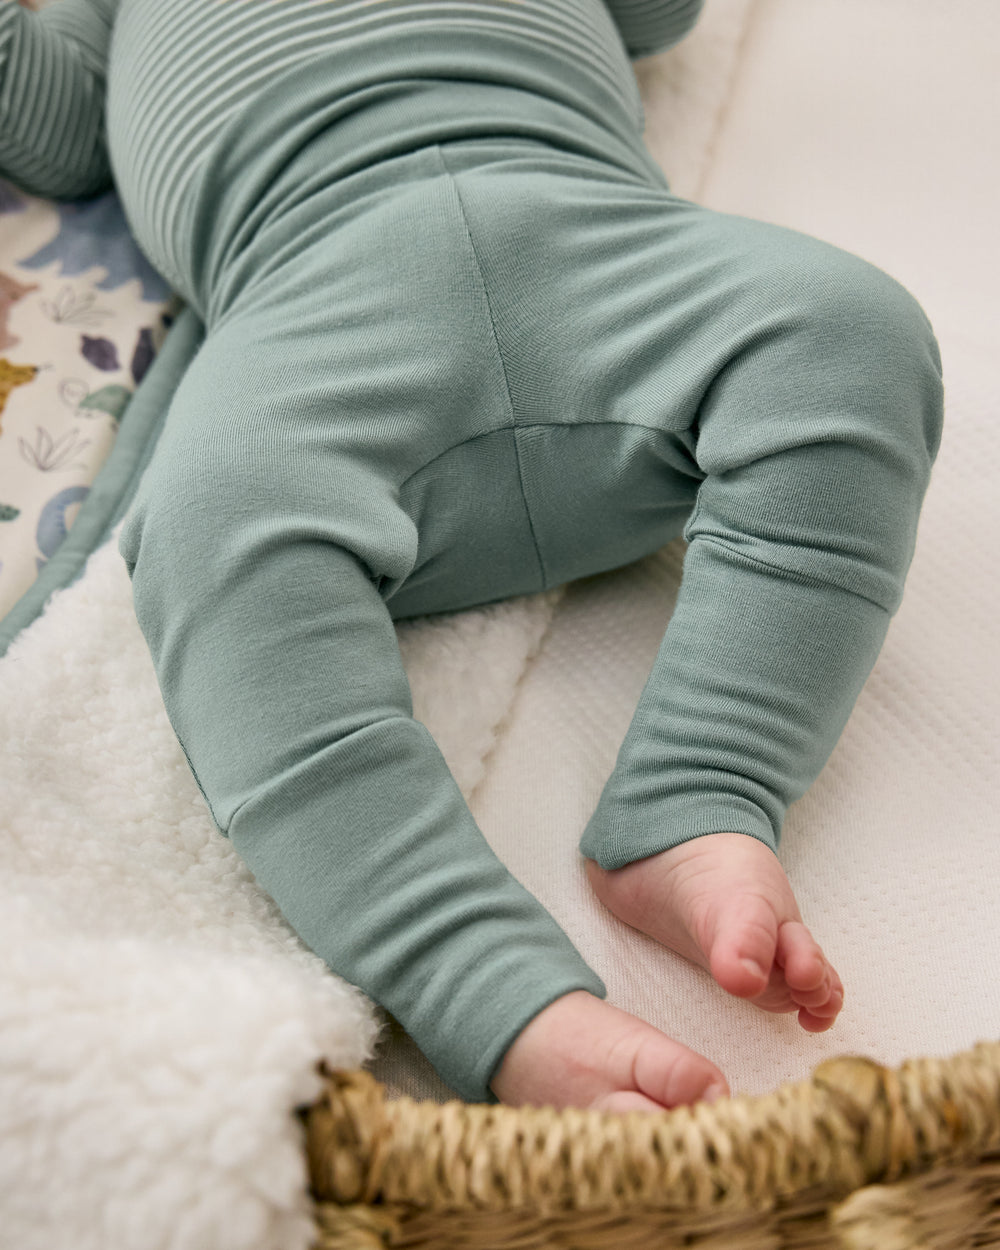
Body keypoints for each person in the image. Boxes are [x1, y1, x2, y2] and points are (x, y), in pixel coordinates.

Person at [0, 0, 943, 1114]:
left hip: (592, 245)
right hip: (314, 291)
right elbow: (59, 132)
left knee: (850, 332)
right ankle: (481, 977)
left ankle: (699, 792)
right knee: (204, 520)